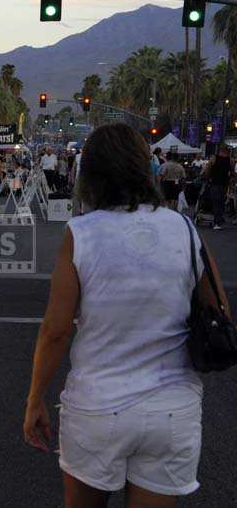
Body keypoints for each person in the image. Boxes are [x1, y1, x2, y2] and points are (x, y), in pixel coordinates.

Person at [24, 123, 230, 508]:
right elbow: (218, 310)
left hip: (98, 406)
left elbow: (56, 331)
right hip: (171, 408)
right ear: (144, 168)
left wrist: (36, 399)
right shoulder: (184, 228)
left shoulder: (81, 233)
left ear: (91, 174)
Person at [206, 146, 234, 230]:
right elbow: (232, 172)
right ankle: (218, 220)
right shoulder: (230, 160)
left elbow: (208, 169)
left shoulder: (214, 158)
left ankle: (217, 221)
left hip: (215, 183)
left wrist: (208, 178)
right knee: (221, 202)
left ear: (220, 151)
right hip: (224, 184)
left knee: (216, 202)